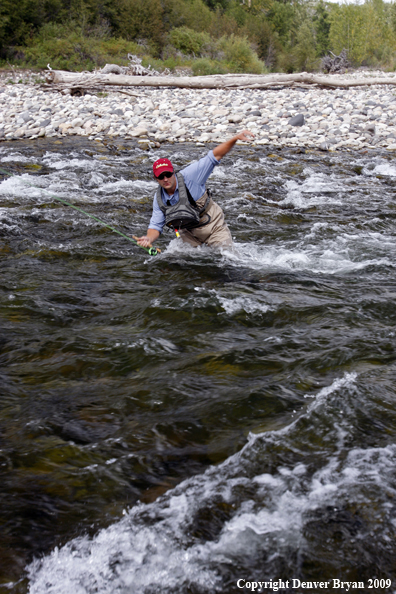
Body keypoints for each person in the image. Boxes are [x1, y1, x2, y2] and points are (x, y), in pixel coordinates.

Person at [137, 130, 255, 249]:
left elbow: (215, 155)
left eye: (168, 174)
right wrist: (148, 238)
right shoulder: (159, 199)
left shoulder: (191, 175)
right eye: (161, 177)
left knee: (228, 260)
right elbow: (155, 227)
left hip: (212, 225)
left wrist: (234, 138)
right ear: (155, 178)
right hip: (188, 232)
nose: (166, 179)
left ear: (173, 172)